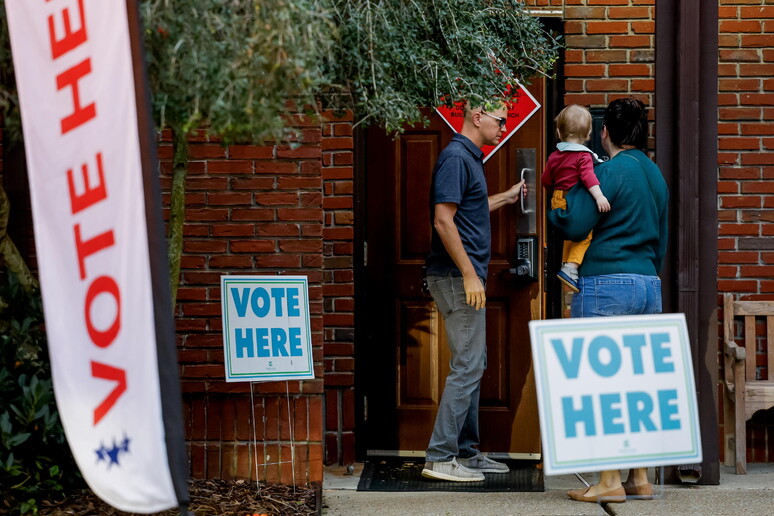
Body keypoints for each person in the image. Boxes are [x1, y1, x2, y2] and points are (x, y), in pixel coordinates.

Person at [548, 97, 669, 504]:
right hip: (649, 283)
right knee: (637, 384)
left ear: (604, 133)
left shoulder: (609, 170)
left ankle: (608, 481)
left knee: (600, 385)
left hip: (606, 284)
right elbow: (663, 238)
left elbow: (577, 221)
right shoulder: (655, 175)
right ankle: (639, 477)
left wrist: (555, 210)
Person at [421, 102, 526, 482]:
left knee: (474, 363)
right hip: (455, 276)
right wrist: (469, 273)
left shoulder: (469, 157)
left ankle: (465, 452)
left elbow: (468, 209)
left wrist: (506, 197)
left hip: (462, 276)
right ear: (477, 116)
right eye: (500, 119)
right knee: (467, 365)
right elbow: (442, 218)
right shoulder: (455, 157)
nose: (503, 125)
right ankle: (440, 457)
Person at [542, 104, 610, 293]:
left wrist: (553, 191)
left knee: (569, 236)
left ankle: (567, 267)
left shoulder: (555, 155)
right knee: (585, 234)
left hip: (558, 198)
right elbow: (588, 177)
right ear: (588, 133)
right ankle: (571, 267)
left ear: (558, 131)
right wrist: (599, 197)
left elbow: (546, 179)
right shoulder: (583, 156)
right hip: (575, 200)